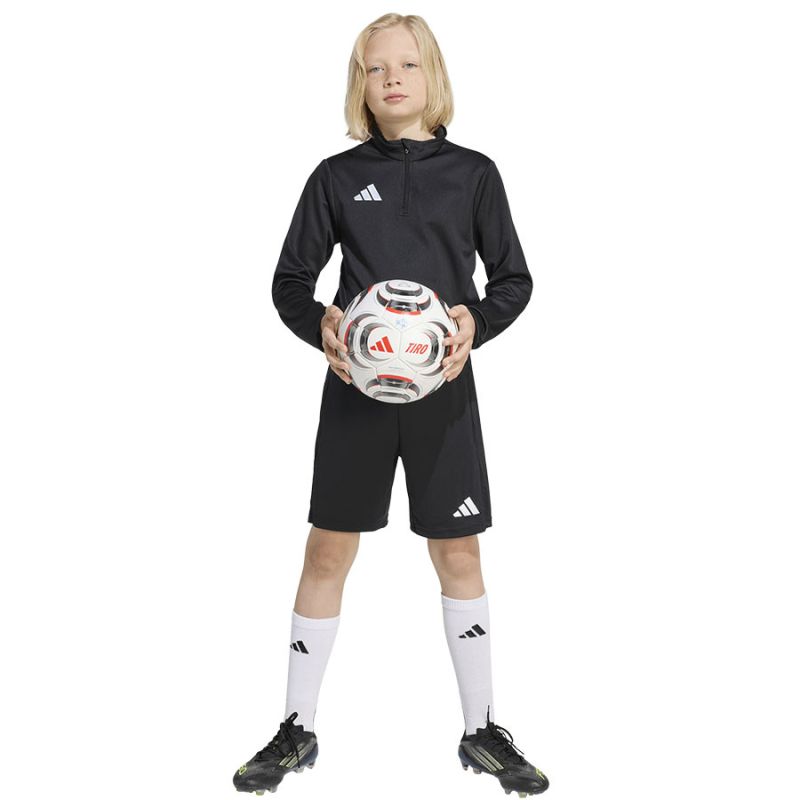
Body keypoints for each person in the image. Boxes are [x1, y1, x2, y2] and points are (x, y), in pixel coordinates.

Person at [233, 13, 548, 798]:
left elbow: (514, 280)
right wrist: (322, 326)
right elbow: (289, 282)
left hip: (445, 395)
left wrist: (477, 322)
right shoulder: (335, 178)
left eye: (406, 65)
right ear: (361, 85)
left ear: (431, 75)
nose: (392, 79)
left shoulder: (474, 174)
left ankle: (481, 730)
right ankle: (296, 727)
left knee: (460, 554)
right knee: (327, 552)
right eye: (376, 69)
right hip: (355, 394)